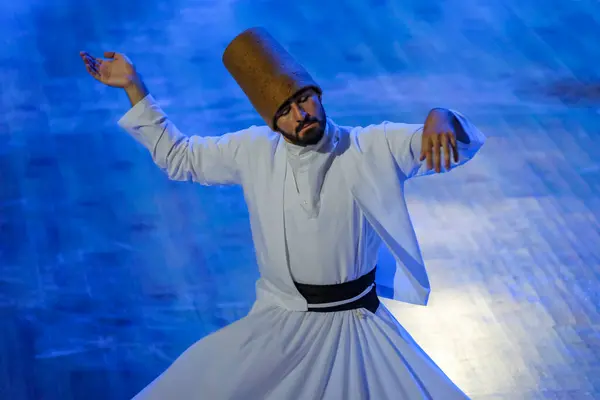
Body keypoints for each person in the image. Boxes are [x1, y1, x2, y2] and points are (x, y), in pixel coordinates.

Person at [80, 27, 485, 399]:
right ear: (272, 121)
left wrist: (441, 116)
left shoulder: (371, 147)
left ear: (318, 93)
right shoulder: (254, 151)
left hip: (358, 329)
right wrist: (134, 87)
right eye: (286, 110)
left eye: (303, 99)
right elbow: (179, 156)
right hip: (280, 326)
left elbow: (451, 144)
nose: (300, 114)